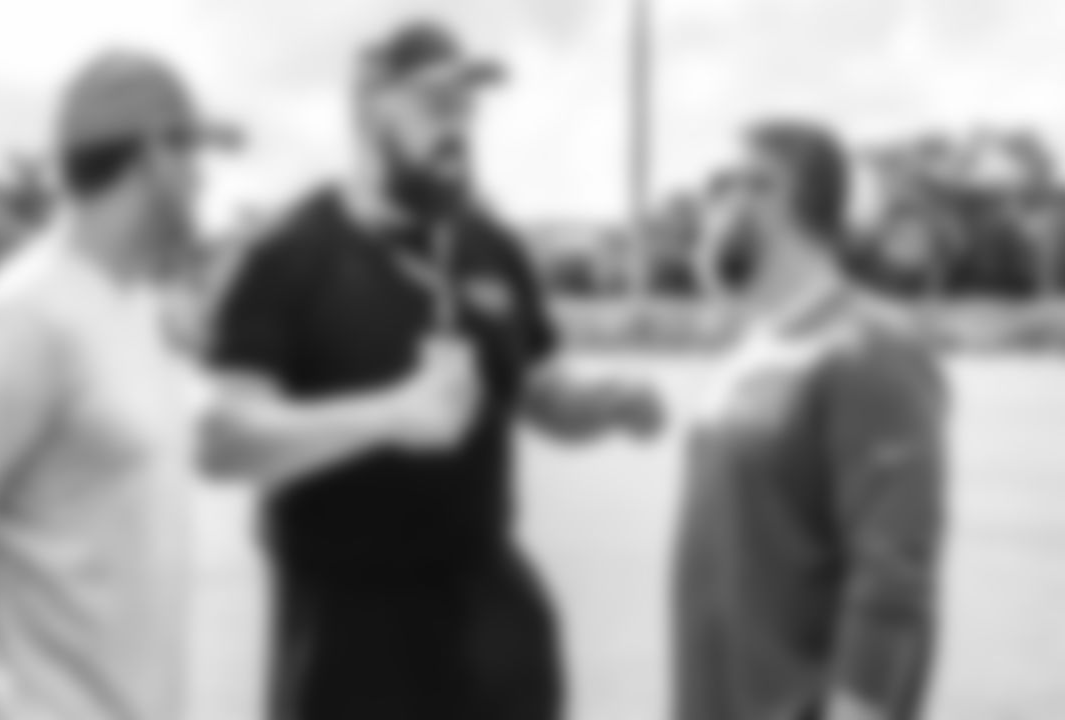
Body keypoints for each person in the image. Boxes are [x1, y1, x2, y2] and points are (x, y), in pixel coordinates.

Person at [198, 19, 661, 720]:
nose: (459, 127)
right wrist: (388, 416)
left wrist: (604, 401)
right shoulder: (285, 255)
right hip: (347, 646)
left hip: (492, 631)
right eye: (436, 103)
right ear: (369, 108)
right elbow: (224, 438)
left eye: (467, 107)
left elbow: (539, 390)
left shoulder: (494, 247)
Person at [0, 50, 240, 720]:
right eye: (193, 153)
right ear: (155, 155)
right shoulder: (28, 316)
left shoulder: (132, 304)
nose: (203, 178)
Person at [675, 120, 949, 720]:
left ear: (763, 192)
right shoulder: (751, 348)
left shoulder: (872, 351)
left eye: (719, 186)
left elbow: (893, 576)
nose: (704, 210)